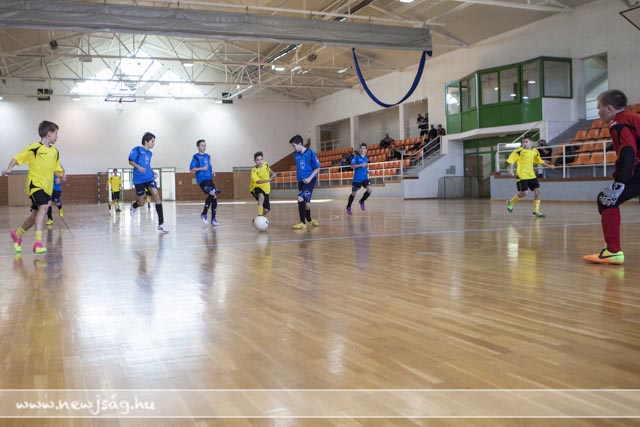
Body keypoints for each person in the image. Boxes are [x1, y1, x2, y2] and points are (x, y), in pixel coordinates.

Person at [583, 89, 640, 265]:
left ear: (609, 108)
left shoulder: (619, 122)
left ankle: (613, 252)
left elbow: (628, 151)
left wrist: (621, 181)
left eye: (598, 107)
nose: (598, 111)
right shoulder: (633, 118)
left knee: (607, 200)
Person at [3, 120, 64, 254]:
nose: (57, 137)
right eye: (56, 133)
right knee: (44, 207)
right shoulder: (34, 148)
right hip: (35, 185)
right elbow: (17, 158)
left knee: (34, 216)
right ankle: (38, 243)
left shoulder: (55, 152)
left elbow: (56, 169)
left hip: (47, 188)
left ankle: (17, 234)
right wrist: (9, 169)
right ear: (49, 134)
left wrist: (61, 175)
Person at [128, 132, 168, 233]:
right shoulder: (137, 149)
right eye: (152, 141)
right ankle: (134, 205)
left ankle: (161, 224)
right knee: (142, 202)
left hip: (149, 178)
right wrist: (138, 167)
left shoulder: (150, 154)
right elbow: (130, 161)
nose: (153, 143)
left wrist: (152, 172)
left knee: (156, 196)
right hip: (138, 179)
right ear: (146, 141)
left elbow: (147, 165)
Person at [506, 137, 554, 218]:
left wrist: (549, 166)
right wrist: (511, 170)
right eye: (523, 142)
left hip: (531, 175)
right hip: (522, 175)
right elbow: (511, 160)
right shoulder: (519, 151)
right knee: (524, 193)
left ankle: (536, 211)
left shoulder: (534, 151)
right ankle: (510, 202)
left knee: (537, 192)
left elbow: (540, 161)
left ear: (531, 142)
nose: (524, 143)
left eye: (526, 142)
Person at [290, 134, 321, 229]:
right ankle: (309, 219)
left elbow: (317, 168)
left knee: (300, 197)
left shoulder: (310, 153)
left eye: (294, 146)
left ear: (300, 144)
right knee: (306, 203)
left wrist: (309, 179)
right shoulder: (296, 154)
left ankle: (302, 222)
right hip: (301, 181)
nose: (293, 148)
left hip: (310, 180)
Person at [189, 139, 220, 226]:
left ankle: (213, 218)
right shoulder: (196, 157)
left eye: (205, 145)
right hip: (202, 179)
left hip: (209, 178)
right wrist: (201, 168)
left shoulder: (207, 156)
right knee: (212, 193)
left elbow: (209, 166)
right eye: (202, 145)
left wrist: (212, 172)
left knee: (214, 196)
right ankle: (204, 213)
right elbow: (191, 169)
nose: (204, 147)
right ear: (198, 147)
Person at [346, 143, 372, 215]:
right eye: (361, 148)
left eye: (364, 148)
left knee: (370, 190)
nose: (362, 150)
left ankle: (362, 201)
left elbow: (365, 166)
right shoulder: (356, 157)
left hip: (365, 178)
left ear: (366, 150)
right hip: (357, 179)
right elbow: (352, 166)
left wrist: (367, 170)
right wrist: (360, 165)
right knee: (353, 194)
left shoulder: (366, 158)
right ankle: (348, 207)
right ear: (359, 149)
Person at [249, 151, 276, 216]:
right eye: (258, 160)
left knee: (266, 210)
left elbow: (269, 170)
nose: (260, 161)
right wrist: (269, 180)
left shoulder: (265, 164)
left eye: (261, 159)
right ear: (255, 161)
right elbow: (258, 181)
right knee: (261, 196)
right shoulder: (254, 170)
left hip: (266, 189)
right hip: (256, 187)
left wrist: (273, 173)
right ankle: (260, 215)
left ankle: (260, 217)